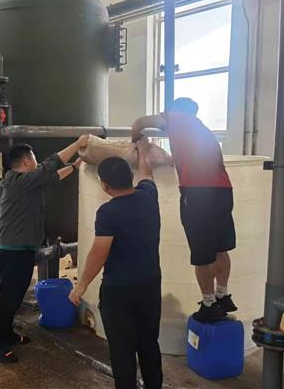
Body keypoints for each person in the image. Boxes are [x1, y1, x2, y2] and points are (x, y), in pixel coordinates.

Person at [131, 97, 236, 322]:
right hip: (223, 191)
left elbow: (140, 122)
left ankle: (208, 304)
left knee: (202, 254)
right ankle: (222, 296)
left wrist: (136, 141)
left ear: (173, 110)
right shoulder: (200, 129)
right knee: (221, 248)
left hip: (198, 193)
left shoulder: (176, 119)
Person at [0, 135, 89, 364]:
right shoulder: (18, 182)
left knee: (12, 298)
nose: (37, 162)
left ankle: (7, 335)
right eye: (34, 159)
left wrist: (74, 166)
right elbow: (50, 165)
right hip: (13, 252)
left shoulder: (26, 183)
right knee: (6, 300)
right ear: (26, 161)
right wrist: (77, 144)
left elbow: (53, 176)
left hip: (19, 251)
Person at [69, 141, 163, 389]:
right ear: (129, 177)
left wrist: (81, 285)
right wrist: (143, 149)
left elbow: (99, 253)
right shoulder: (148, 196)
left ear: (105, 185)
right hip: (150, 284)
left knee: (122, 350)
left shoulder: (108, 212)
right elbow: (147, 173)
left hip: (119, 290)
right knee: (149, 344)